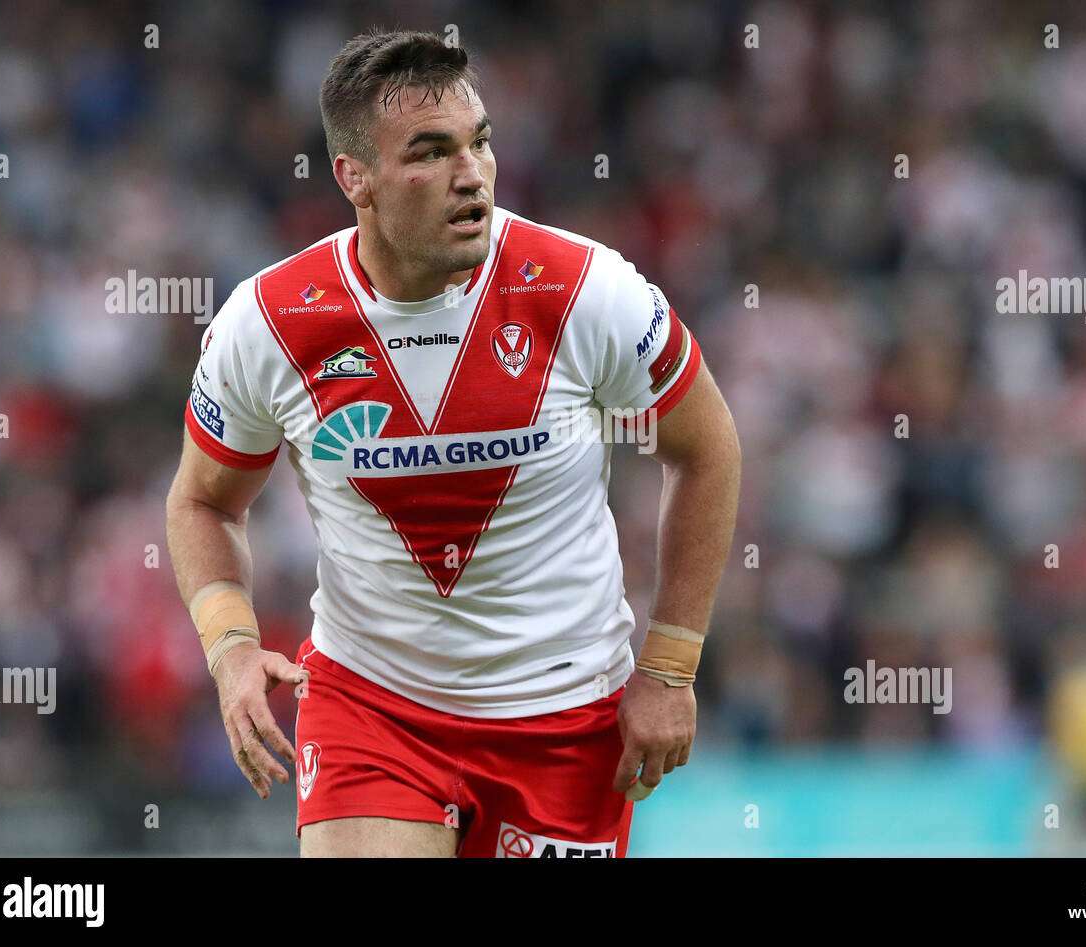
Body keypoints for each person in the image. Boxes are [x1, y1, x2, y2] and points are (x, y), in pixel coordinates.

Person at [164, 28, 740, 857]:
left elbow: (708, 447)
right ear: (353, 177)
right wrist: (231, 649)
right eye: (429, 153)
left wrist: (671, 665)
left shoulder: (584, 290)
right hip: (373, 704)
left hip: (564, 713)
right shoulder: (270, 324)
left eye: (480, 142)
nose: (471, 174)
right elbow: (202, 500)